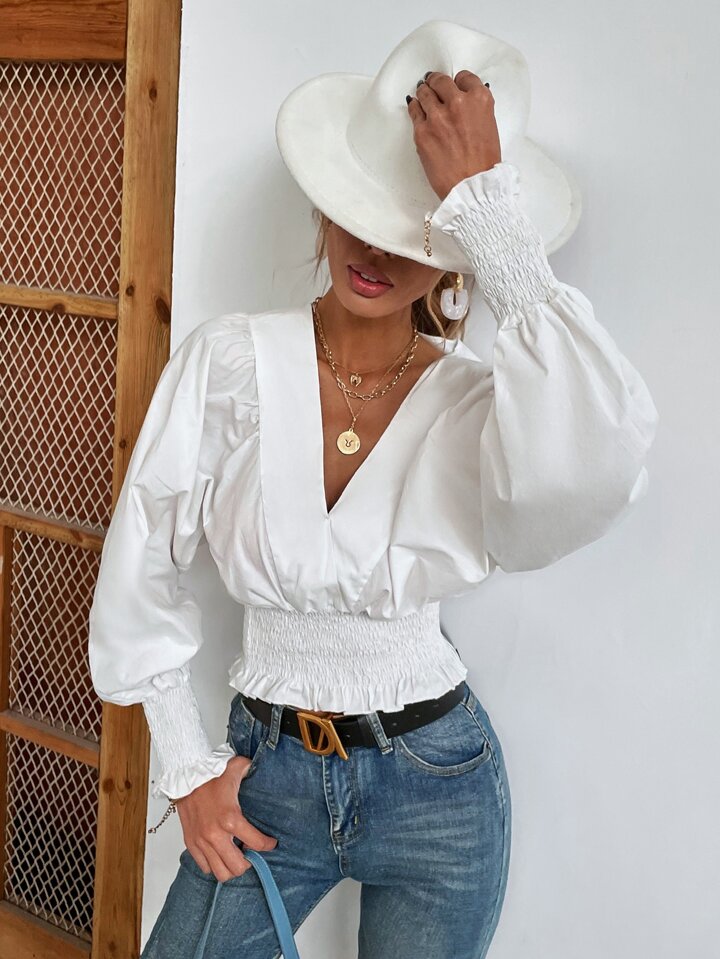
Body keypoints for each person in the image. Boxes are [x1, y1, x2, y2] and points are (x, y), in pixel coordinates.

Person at [87, 20, 659, 959]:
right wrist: (186, 768)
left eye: (417, 230)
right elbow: (143, 558)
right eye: (361, 209)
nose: (378, 252)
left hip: (441, 788)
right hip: (266, 773)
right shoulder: (227, 365)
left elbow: (601, 462)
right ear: (324, 200)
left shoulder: (480, 403)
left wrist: (490, 216)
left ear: (457, 253)